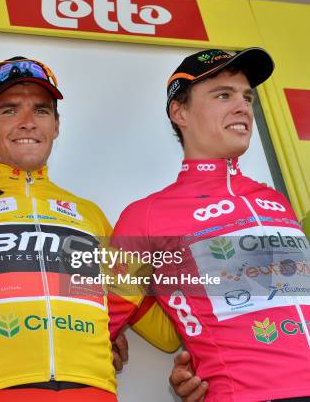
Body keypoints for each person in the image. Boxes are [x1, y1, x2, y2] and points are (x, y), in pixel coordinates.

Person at [0, 56, 180, 402]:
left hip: (93, 391)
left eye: (42, 111)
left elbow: (166, 333)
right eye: (10, 110)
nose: (28, 123)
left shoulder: (91, 216)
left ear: (57, 125)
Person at [112, 48, 310, 401]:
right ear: (180, 112)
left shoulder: (276, 201)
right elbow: (94, 313)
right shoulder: (146, 215)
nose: (242, 107)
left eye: (246, 97)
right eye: (223, 95)